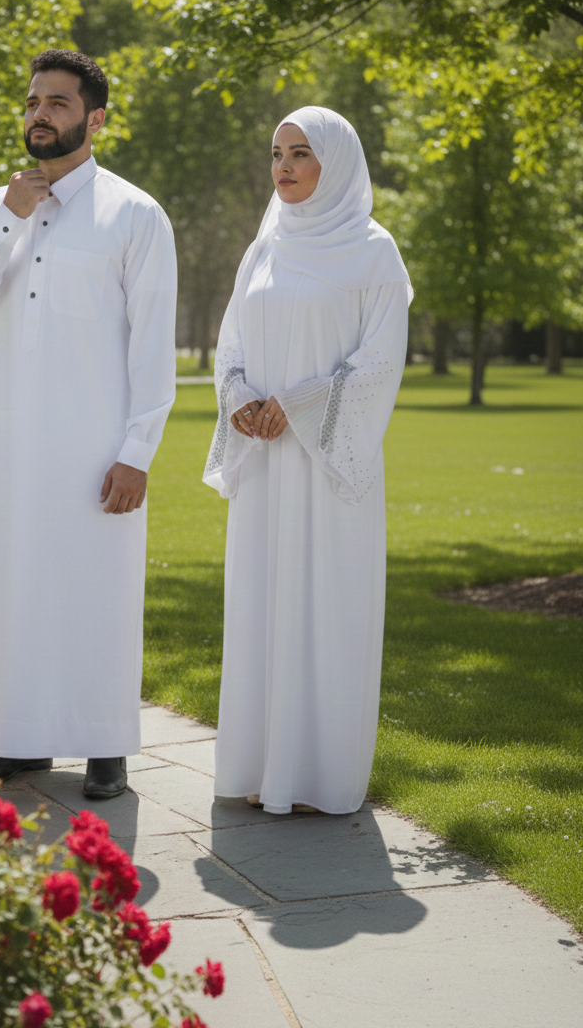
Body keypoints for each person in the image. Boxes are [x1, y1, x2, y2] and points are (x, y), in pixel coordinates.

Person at [0, 50, 177, 799]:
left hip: (96, 448)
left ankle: (106, 745)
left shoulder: (135, 214)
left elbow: (152, 347)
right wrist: (9, 217)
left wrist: (137, 451)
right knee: (14, 588)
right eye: (34, 101)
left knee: (98, 590)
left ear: (95, 119)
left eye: (59, 103)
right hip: (12, 444)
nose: (40, 114)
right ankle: (19, 740)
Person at [203, 106, 412, 815]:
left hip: (327, 470)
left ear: (338, 162)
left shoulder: (374, 250)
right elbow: (229, 344)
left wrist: (293, 403)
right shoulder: (263, 248)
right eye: (276, 153)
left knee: (327, 607)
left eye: (301, 153)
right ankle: (259, 768)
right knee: (263, 604)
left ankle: (320, 779)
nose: (283, 166)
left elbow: (380, 363)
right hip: (265, 464)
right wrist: (239, 398)